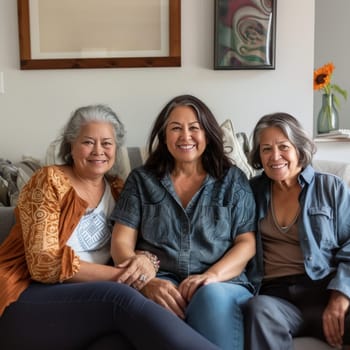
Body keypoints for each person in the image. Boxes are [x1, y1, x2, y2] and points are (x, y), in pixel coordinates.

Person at [0, 104, 220, 350]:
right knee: (121, 298)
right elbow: (44, 264)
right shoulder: (49, 181)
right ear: (71, 146)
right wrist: (136, 280)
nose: (98, 151)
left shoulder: (118, 188)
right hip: (25, 299)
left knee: (118, 344)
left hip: (89, 308)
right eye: (88, 142)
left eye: (107, 143)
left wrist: (147, 261)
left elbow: (139, 247)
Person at [110, 94, 257, 350]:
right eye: (175, 128)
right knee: (157, 305)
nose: (185, 136)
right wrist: (145, 282)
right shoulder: (141, 180)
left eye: (194, 128)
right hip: (160, 279)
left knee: (208, 296)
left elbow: (246, 242)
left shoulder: (232, 179)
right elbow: (121, 242)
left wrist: (211, 276)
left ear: (207, 134)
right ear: (164, 135)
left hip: (222, 282)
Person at [243, 112, 350, 350]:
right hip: (277, 298)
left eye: (283, 147)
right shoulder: (251, 192)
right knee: (257, 309)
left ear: (299, 149)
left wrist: (341, 295)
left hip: (326, 290)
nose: (275, 156)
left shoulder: (331, 187)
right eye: (266, 149)